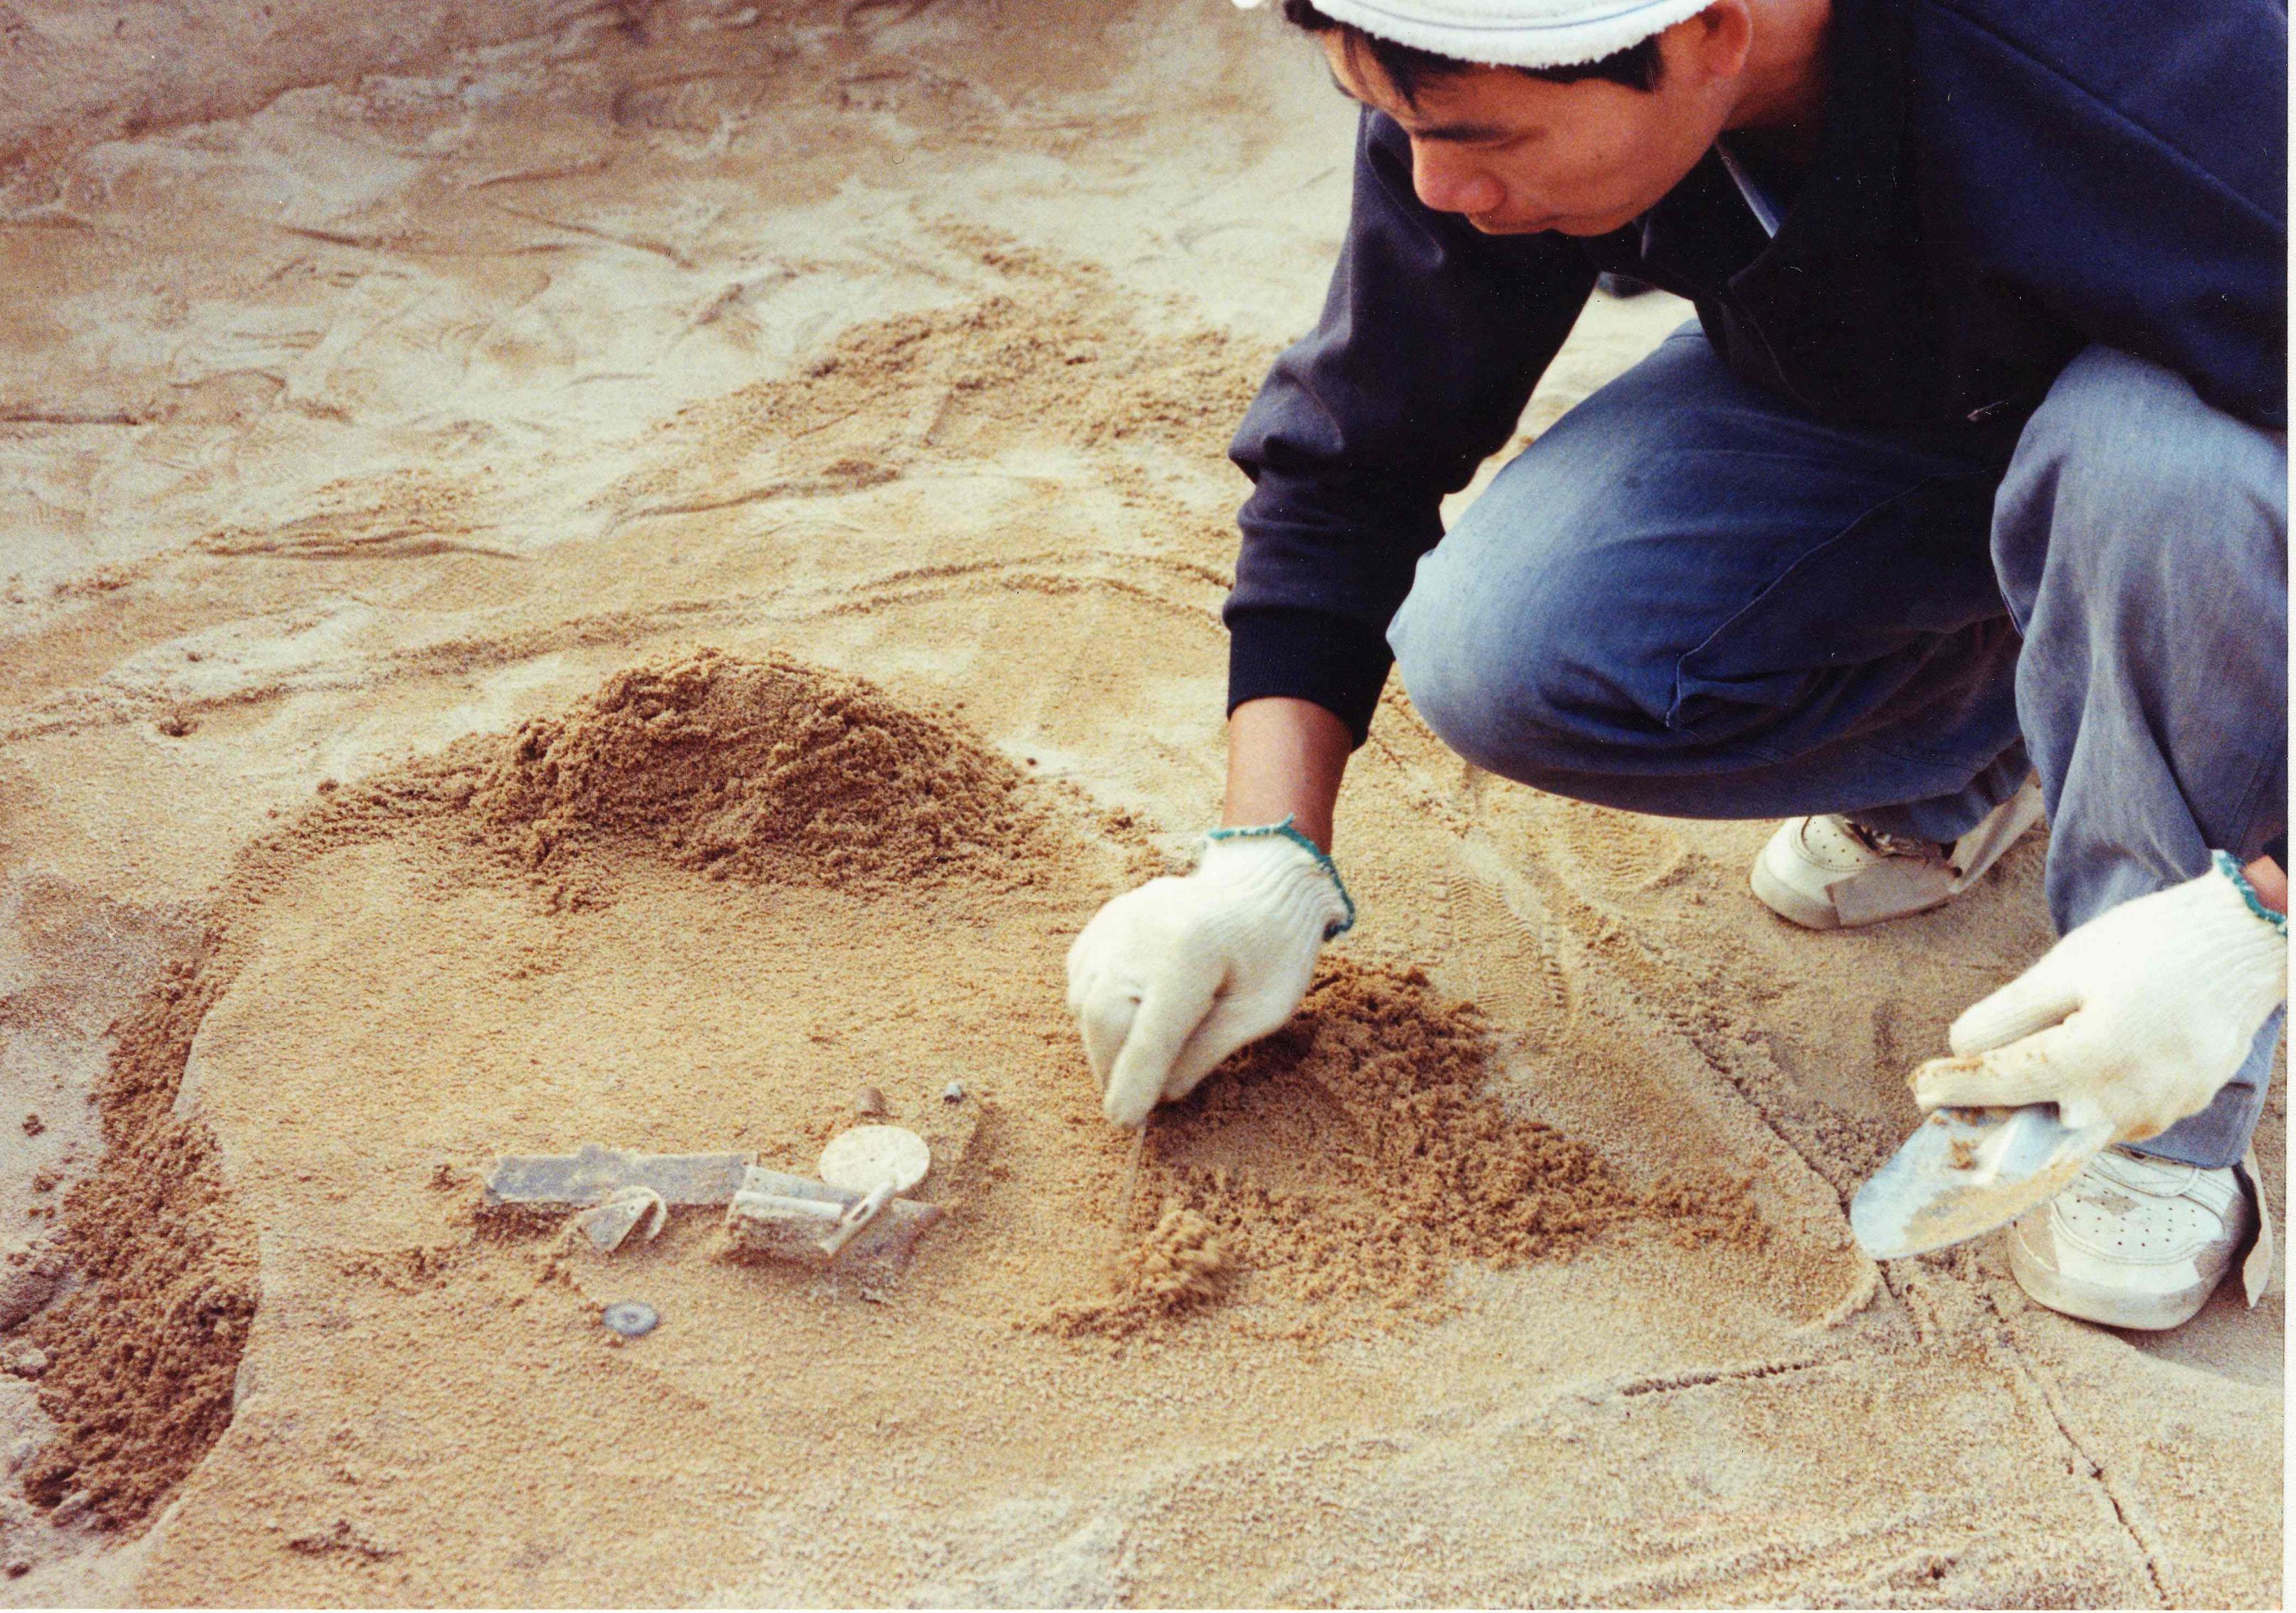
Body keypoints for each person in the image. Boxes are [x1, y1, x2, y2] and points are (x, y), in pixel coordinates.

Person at [1064, 0, 2289, 1330]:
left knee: (2159, 466)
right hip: (1903, 398)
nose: (1435, 185)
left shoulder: (2189, 100)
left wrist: (2254, 919)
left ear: (1715, 32)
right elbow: (1354, 454)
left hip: (2207, 427)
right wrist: (1262, 852)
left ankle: (2167, 1110)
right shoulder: (1500, 46)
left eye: (1479, 139)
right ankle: (2006, 735)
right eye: (1401, 126)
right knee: (1508, 647)